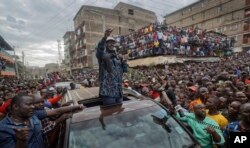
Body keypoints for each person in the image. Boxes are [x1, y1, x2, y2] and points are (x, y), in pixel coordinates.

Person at [96, 29, 128, 105]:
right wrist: (105, 37)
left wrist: (124, 62)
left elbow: (124, 70)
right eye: (109, 43)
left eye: (113, 43)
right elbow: (100, 48)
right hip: (108, 93)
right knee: (109, 114)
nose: (111, 44)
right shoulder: (102, 56)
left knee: (119, 115)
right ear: (106, 44)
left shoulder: (117, 57)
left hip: (119, 92)